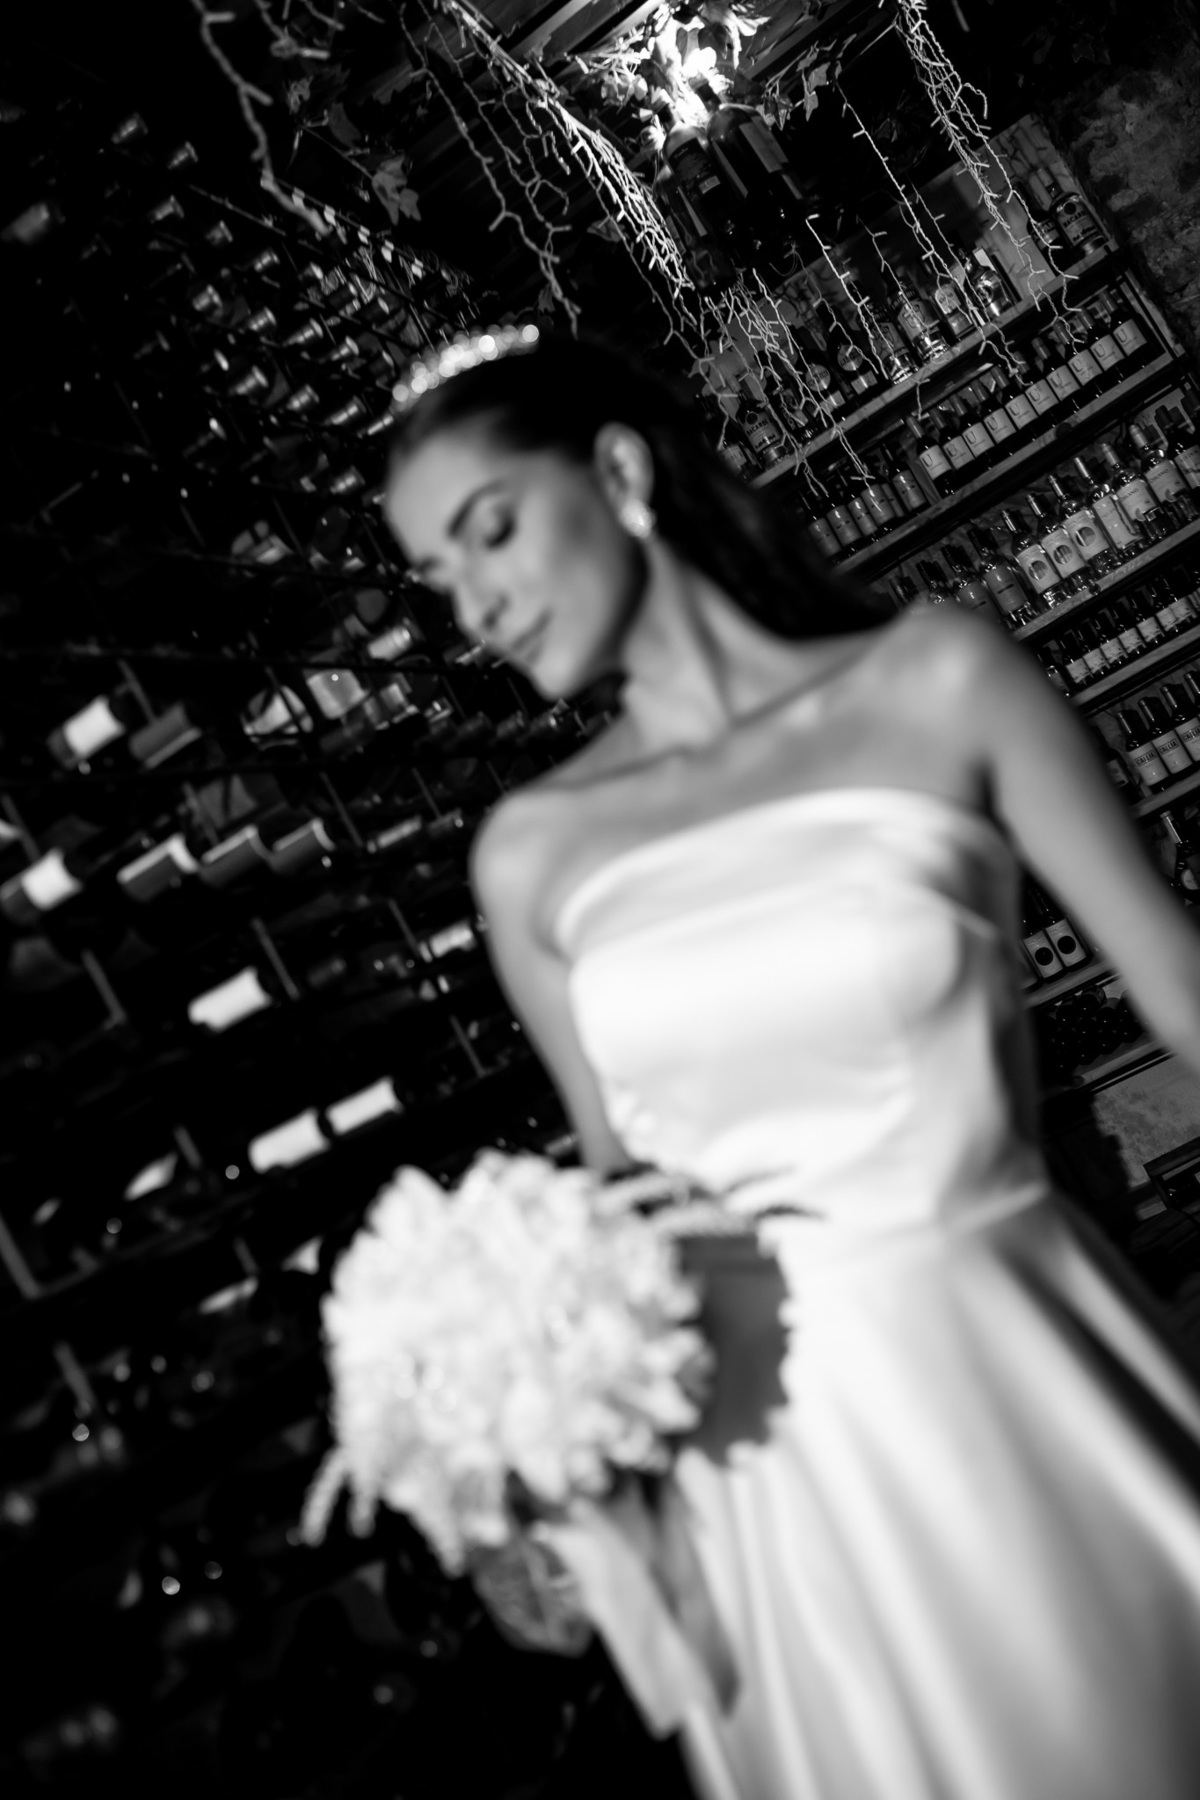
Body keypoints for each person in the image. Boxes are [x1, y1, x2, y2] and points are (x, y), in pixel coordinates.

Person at [383, 324, 1200, 1800]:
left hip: (1007, 1366)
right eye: (441, 581)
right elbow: (621, 1213)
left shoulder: (939, 684)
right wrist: (544, 1442)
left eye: (490, 532)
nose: (477, 607)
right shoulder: (531, 856)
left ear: (617, 470)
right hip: (766, 1479)